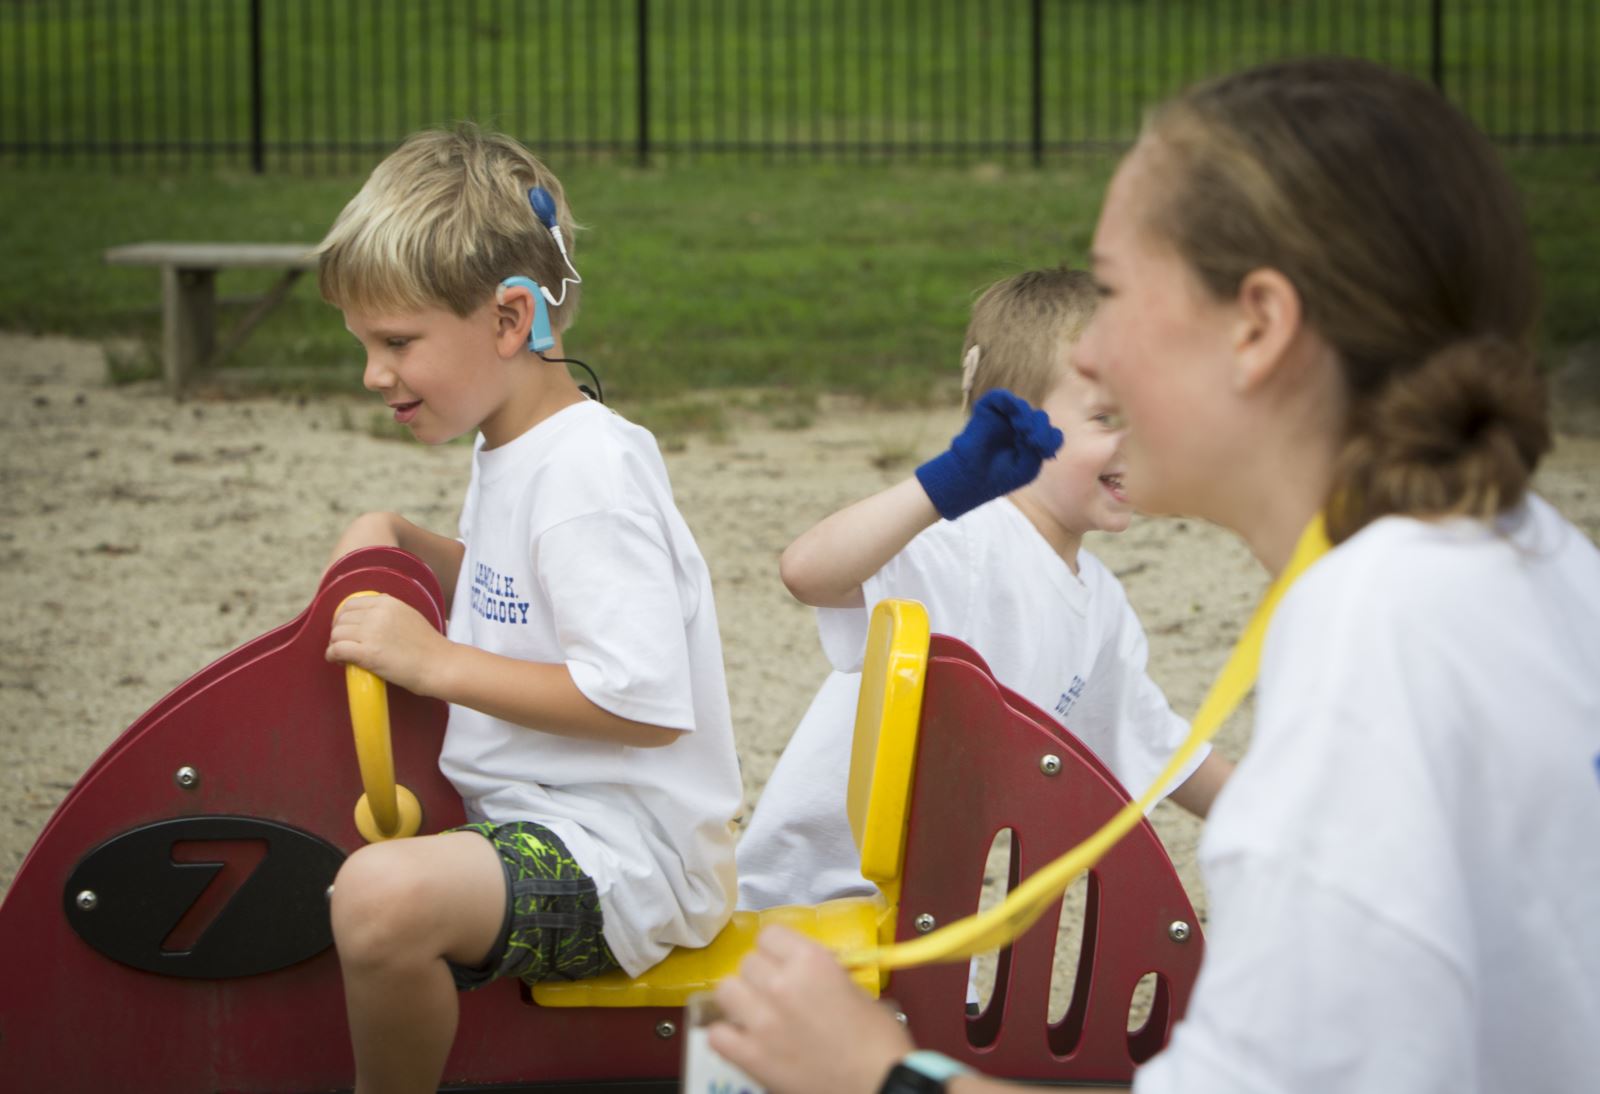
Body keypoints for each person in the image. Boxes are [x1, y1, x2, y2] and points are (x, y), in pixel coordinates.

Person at [708, 56, 1600, 1094]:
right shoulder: (1535, 564)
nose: (1098, 355)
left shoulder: (1375, 656)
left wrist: (879, 1076)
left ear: (1257, 325)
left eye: (1118, 291)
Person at [314, 125, 742, 1093]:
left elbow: (640, 700)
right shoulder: (517, 442)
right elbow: (528, 592)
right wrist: (403, 534)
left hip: (623, 860)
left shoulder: (587, 468)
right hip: (549, 822)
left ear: (510, 320)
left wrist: (431, 662)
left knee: (379, 899)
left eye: (397, 342)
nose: (374, 374)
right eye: (364, 344)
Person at [737, 267, 1232, 920]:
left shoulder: (1101, 604)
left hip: (923, 919)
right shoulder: (968, 542)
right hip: (812, 909)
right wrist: (945, 484)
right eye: (1109, 417)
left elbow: (1159, 743)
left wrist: (1285, 820)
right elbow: (809, 572)